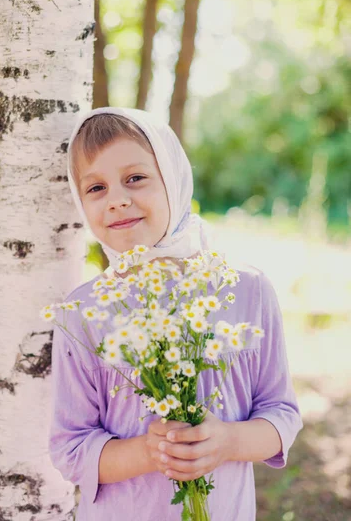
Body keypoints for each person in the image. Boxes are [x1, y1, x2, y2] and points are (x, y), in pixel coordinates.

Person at [48, 106, 303, 521]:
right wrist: (151, 451)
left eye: (135, 178)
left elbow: (282, 415)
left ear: (174, 178)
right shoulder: (82, 313)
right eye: (95, 188)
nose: (117, 200)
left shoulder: (246, 290)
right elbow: (71, 450)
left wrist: (226, 442)